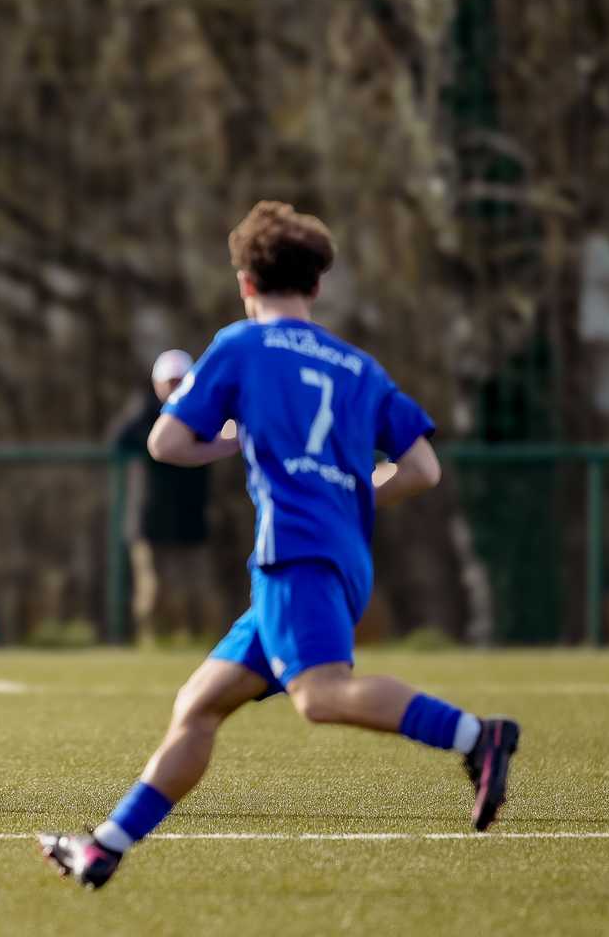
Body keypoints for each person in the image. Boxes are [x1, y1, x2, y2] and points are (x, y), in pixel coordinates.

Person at [40, 201, 521, 890]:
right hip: (341, 553)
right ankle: (105, 848)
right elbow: (422, 470)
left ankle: (477, 735)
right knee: (200, 704)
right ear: (317, 285)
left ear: (245, 282)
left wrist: (236, 437)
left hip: (295, 549)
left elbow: (165, 443)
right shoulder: (358, 366)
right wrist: (347, 491)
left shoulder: (242, 345)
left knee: (320, 696)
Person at [113, 349, 226, 641]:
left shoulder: (205, 410)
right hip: (151, 518)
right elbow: (120, 440)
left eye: (180, 381)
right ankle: (152, 640)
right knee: (154, 589)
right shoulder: (144, 413)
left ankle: (199, 638)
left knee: (197, 587)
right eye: (169, 381)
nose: (174, 387)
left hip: (191, 516)